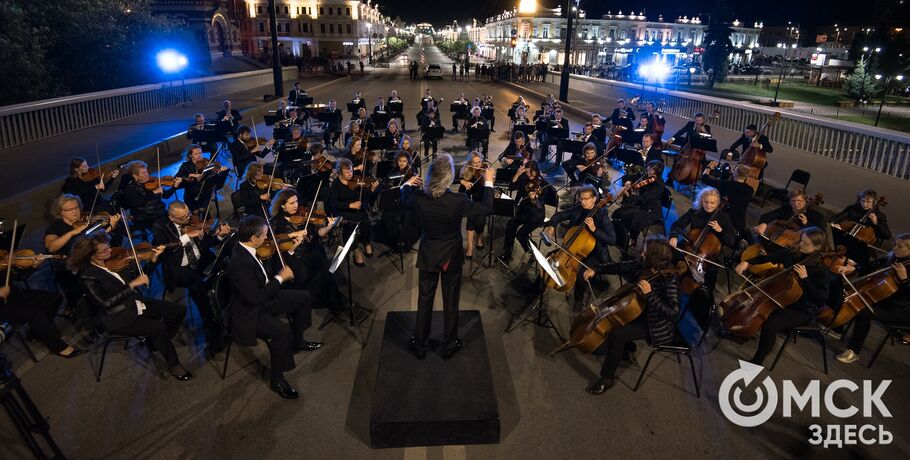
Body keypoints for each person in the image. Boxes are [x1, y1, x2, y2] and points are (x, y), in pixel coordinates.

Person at [400, 155, 495, 360]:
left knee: (424, 300)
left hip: (428, 254)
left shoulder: (419, 198)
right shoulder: (458, 201)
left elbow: (404, 198)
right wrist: (488, 181)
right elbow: (486, 208)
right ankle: (450, 344)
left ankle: (420, 344)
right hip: (451, 255)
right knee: (451, 300)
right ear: (449, 177)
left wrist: (407, 184)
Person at [69, 232, 193, 380]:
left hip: (135, 303)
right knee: (157, 327)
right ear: (91, 256)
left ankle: (157, 344)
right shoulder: (88, 277)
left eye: (108, 246)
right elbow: (105, 303)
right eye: (104, 250)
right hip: (118, 317)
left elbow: (141, 277)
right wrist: (132, 285)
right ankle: (174, 364)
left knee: (178, 311)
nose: (110, 250)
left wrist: (153, 260)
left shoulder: (112, 263)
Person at [228, 215, 318, 399]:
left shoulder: (252, 249)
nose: (267, 239)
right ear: (253, 238)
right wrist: (280, 278)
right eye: (264, 235)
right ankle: (277, 379)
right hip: (250, 311)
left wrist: (290, 249)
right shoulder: (240, 263)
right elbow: (255, 297)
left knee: (304, 297)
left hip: (266, 297)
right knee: (282, 332)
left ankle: (298, 342)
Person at [581, 235, 679, 394]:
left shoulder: (669, 278)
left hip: (653, 322)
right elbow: (620, 266)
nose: (641, 252)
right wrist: (597, 270)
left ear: (654, 256)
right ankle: (626, 347)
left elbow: (673, 314)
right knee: (610, 332)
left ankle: (606, 379)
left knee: (617, 333)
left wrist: (650, 295)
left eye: (645, 251)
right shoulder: (643, 263)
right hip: (635, 309)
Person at [734, 227, 831, 366]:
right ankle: (742, 332)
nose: (800, 245)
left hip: (801, 308)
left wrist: (805, 279)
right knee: (754, 306)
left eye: (805, 244)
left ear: (817, 247)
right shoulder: (792, 253)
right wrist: (748, 262)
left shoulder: (820, 270)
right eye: (801, 240)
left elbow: (820, 299)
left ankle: (757, 362)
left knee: (769, 326)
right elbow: (768, 257)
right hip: (780, 297)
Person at [152, 201, 232, 349]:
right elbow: (161, 251)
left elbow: (205, 243)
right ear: (172, 218)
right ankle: (211, 326)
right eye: (183, 217)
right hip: (180, 268)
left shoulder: (192, 220)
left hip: (200, 259)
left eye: (188, 213)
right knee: (198, 287)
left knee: (225, 267)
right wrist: (186, 237)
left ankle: (228, 306)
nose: (188, 218)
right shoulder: (160, 227)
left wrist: (220, 236)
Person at [835, 233, 910, 363]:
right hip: (885, 299)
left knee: (865, 312)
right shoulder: (895, 258)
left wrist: (905, 280)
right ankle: (837, 326)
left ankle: (853, 351)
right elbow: (873, 264)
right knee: (849, 295)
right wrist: (853, 267)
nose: (895, 248)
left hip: (902, 308)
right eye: (895, 245)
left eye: (900, 246)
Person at [269, 189, 344, 312]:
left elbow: (318, 233)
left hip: (313, 250)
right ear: (283, 205)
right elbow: (277, 245)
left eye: (296, 201)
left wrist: (329, 226)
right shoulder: (276, 223)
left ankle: (335, 303)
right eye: (291, 203)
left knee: (327, 273)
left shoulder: (304, 214)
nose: (296, 206)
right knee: (316, 276)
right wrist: (294, 239)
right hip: (296, 258)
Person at [544, 186, 616, 311]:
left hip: (594, 252)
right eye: (581, 199)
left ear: (594, 199)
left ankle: (578, 299)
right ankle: (538, 287)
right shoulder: (578, 209)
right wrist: (551, 226)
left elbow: (612, 239)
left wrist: (595, 230)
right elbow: (559, 215)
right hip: (572, 248)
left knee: (582, 273)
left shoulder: (602, 216)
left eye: (586, 199)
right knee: (549, 258)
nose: (582, 202)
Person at [669, 187, 736, 292]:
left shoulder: (724, 218)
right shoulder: (694, 212)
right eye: (706, 202)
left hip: (708, 256)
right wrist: (673, 236)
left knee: (712, 271)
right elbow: (677, 225)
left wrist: (720, 231)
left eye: (712, 203)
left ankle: (705, 295)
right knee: (670, 253)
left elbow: (732, 241)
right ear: (701, 201)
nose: (708, 205)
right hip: (689, 247)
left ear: (718, 203)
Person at [0, 286, 80, 358]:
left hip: (13, 294)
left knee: (54, 298)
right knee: (34, 314)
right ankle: (58, 346)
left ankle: (36, 331)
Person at [328, 158, 378, 266]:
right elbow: (333, 204)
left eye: (351, 171)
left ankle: (366, 242)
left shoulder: (356, 181)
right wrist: (349, 205)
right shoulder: (336, 184)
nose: (350, 174)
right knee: (351, 223)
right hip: (343, 210)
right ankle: (355, 249)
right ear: (340, 172)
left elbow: (365, 198)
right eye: (347, 172)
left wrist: (372, 190)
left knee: (365, 218)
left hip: (356, 209)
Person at [499, 160, 550, 264]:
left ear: (535, 172)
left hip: (535, 215)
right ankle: (507, 253)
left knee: (521, 234)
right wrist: (518, 173)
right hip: (523, 211)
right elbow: (511, 187)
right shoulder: (524, 178)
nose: (526, 173)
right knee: (511, 225)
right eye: (526, 171)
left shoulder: (544, 185)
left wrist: (534, 199)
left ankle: (531, 251)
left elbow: (539, 206)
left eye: (528, 172)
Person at [611, 160, 666, 249]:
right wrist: (629, 181)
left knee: (629, 217)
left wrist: (630, 196)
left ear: (654, 170)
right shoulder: (647, 176)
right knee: (620, 213)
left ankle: (630, 238)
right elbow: (633, 176)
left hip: (650, 210)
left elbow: (644, 199)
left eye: (649, 167)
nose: (647, 168)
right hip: (640, 204)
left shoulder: (659, 185)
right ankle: (620, 234)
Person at [119, 160, 182, 230]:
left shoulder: (153, 182)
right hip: (145, 217)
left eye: (147, 172)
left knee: (178, 218)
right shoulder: (130, 189)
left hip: (160, 213)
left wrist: (175, 187)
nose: (147, 174)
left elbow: (166, 195)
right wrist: (153, 193)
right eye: (143, 173)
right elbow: (137, 202)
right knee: (164, 227)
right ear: (135, 176)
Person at [701, 162, 756, 241]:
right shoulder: (750, 190)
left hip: (723, 217)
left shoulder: (726, 185)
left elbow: (705, 178)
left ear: (735, 173)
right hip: (739, 221)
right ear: (746, 176)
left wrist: (709, 167)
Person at [174, 144, 230, 212]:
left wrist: (219, 170)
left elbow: (212, 173)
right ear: (190, 155)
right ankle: (198, 213)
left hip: (204, 190)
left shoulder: (206, 162)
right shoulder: (185, 166)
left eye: (200, 153)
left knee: (206, 198)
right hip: (192, 193)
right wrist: (190, 175)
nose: (199, 155)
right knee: (195, 207)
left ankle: (202, 213)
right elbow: (176, 178)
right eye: (196, 154)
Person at [756, 188, 827, 238]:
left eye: (799, 200)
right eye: (793, 201)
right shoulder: (787, 208)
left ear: (806, 200)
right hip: (776, 237)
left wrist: (806, 223)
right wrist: (763, 224)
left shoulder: (816, 215)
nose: (796, 203)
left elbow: (819, 233)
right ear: (789, 201)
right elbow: (768, 216)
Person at [458, 152, 491, 259]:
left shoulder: (485, 170)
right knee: (471, 220)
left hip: (482, 200)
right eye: (474, 163)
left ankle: (479, 238)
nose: (477, 165)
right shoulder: (466, 170)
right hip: (470, 200)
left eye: (479, 162)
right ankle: (470, 247)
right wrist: (463, 182)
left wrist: (489, 178)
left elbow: (490, 186)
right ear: (470, 162)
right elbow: (456, 182)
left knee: (481, 221)